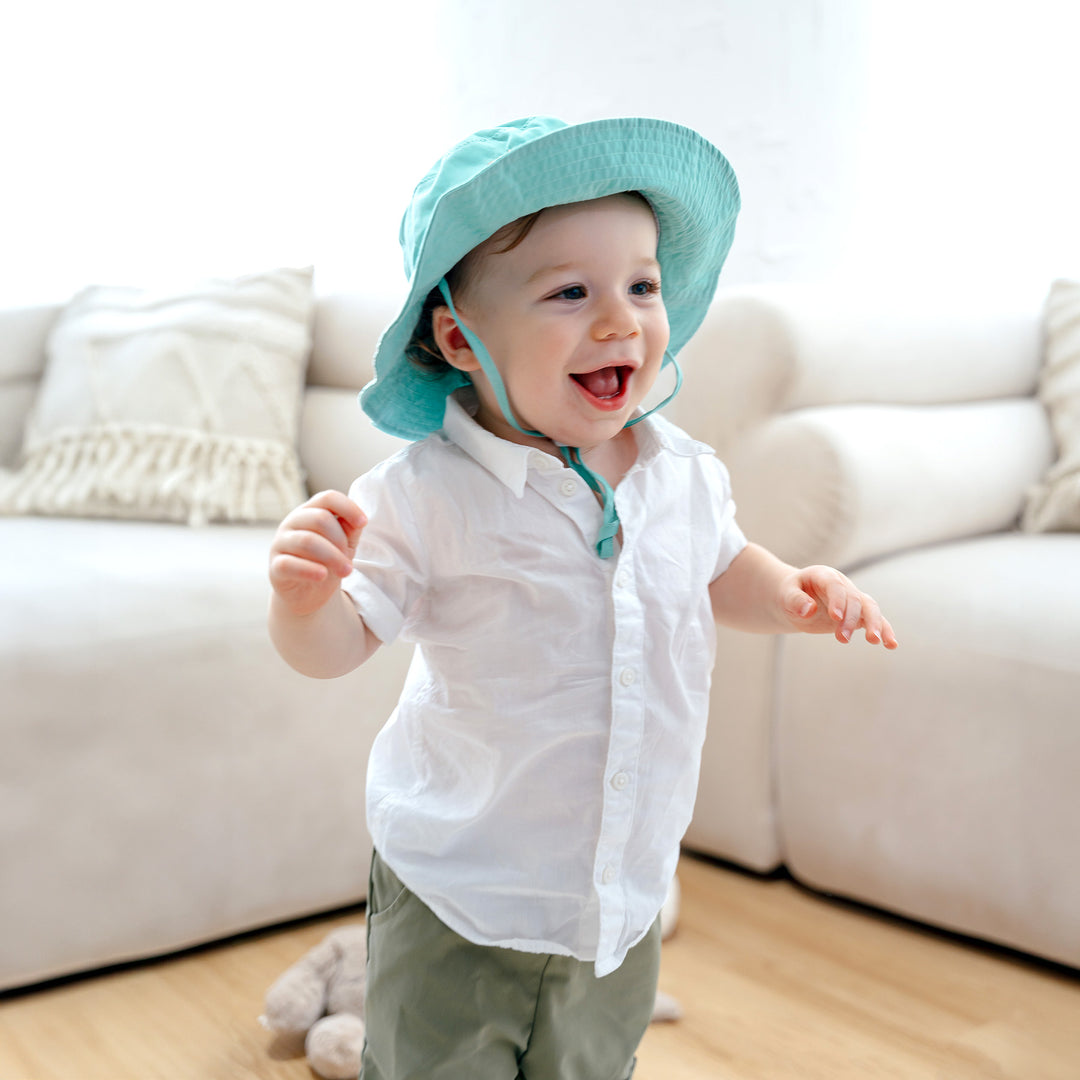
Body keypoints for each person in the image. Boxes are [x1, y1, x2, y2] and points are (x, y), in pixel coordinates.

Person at [268, 116, 897, 1080]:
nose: (621, 321)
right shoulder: (425, 494)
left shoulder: (683, 471)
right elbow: (334, 647)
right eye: (570, 292)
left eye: (641, 286)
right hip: (460, 890)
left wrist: (792, 595)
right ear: (460, 337)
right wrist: (305, 601)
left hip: (618, 892)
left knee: (592, 1063)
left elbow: (719, 563)